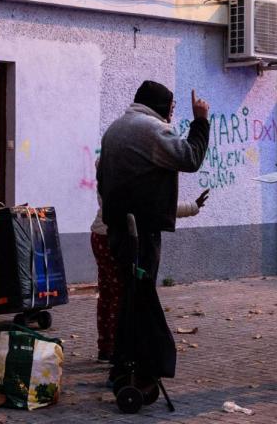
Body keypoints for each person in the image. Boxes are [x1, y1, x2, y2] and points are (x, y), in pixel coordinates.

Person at [96, 80, 209, 386]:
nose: (172, 116)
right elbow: (190, 159)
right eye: (171, 108)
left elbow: (100, 176)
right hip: (141, 230)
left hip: (118, 227)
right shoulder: (152, 129)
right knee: (141, 296)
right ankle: (142, 366)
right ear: (159, 105)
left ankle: (123, 364)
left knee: (131, 296)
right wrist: (200, 122)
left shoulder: (115, 129)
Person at [90, 182, 209, 363]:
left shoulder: (107, 170)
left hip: (99, 235)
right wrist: (192, 207)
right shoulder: (130, 174)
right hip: (117, 237)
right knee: (120, 296)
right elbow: (154, 207)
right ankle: (117, 350)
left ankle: (105, 348)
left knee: (107, 293)